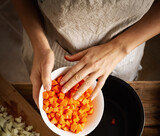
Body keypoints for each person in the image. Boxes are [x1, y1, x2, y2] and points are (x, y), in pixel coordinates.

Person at [11, 0, 160, 106]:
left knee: (115, 100)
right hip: (46, 40)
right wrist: (40, 46)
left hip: (124, 50)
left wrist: (121, 47)